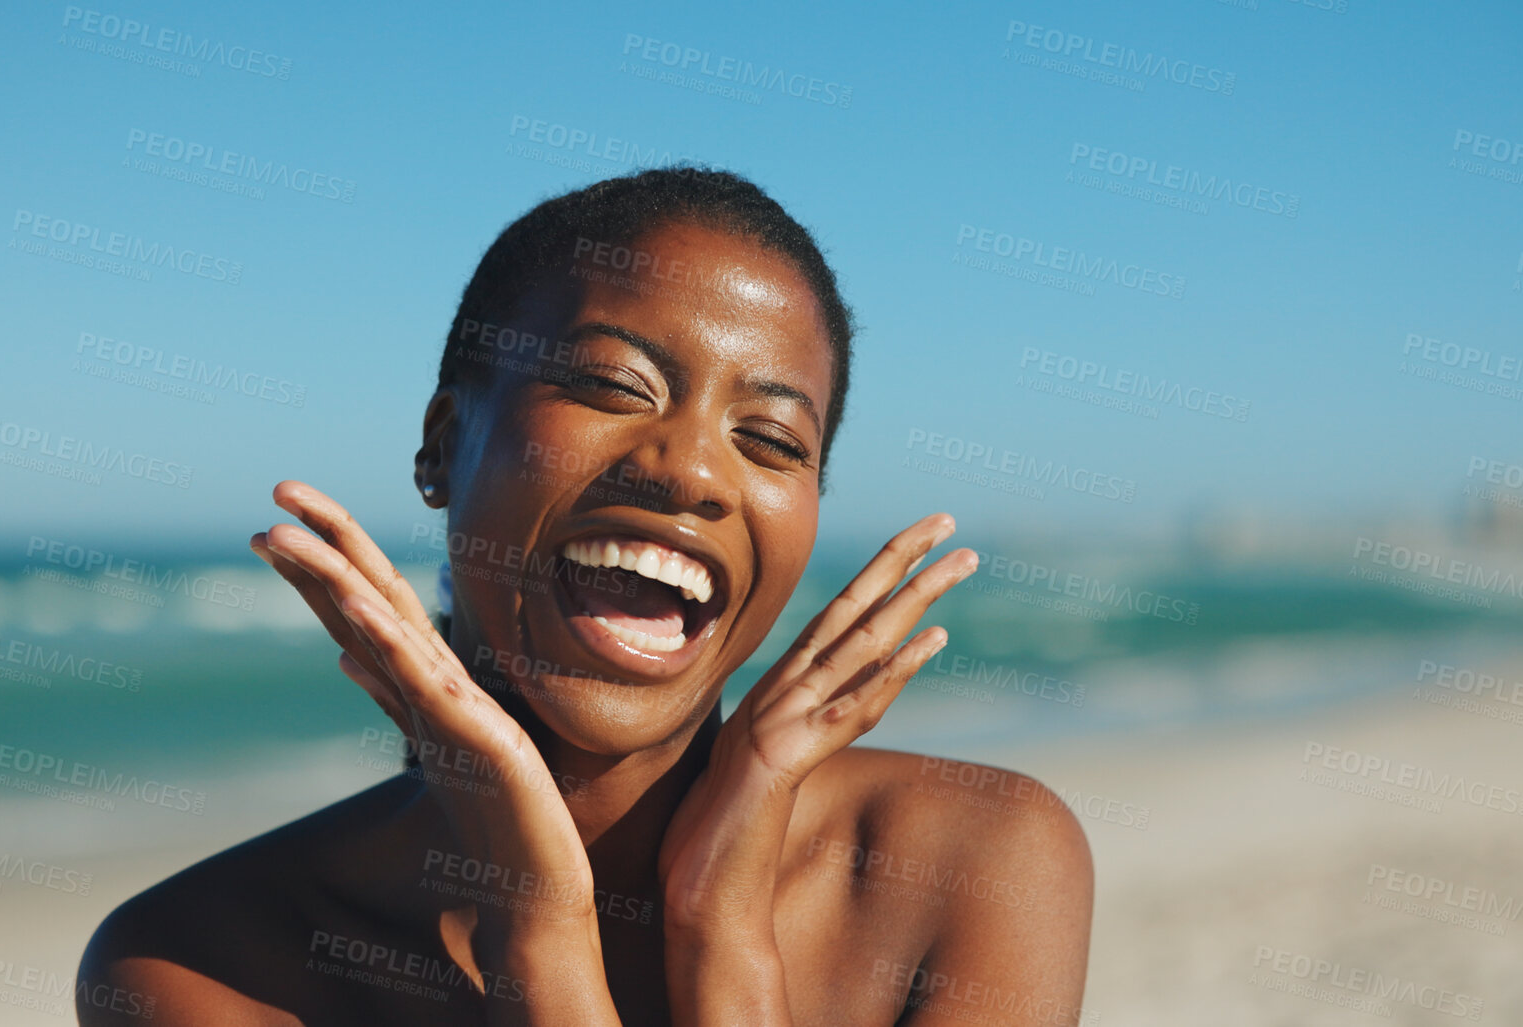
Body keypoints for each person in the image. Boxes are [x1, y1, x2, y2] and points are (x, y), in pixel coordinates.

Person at [77, 167, 1093, 1025]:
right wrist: (541, 925)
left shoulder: (975, 862)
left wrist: (720, 927)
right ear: (442, 443)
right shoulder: (203, 957)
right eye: (613, 385)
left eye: (773, 440)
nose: (694, 472)